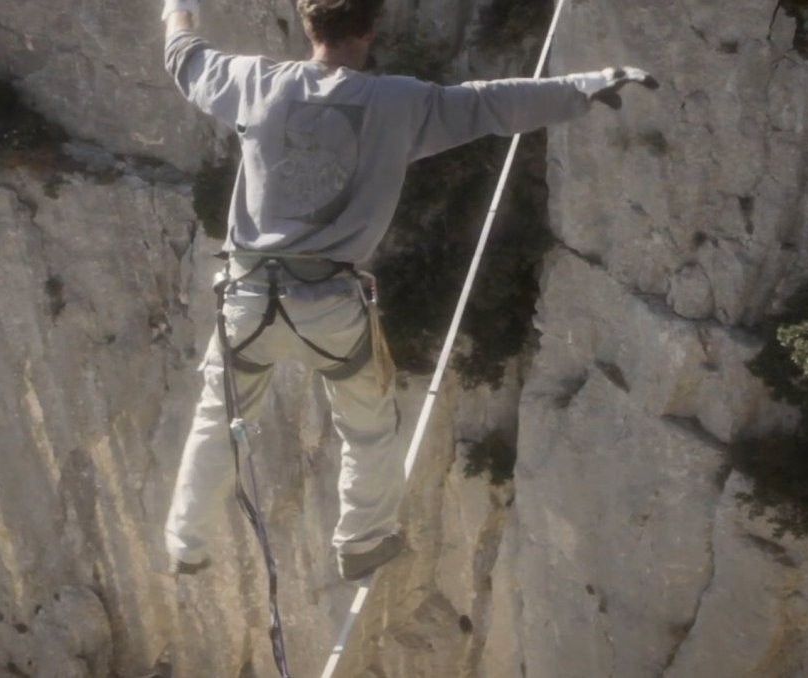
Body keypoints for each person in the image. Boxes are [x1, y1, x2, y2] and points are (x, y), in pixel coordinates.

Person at [161, 0, 656, 581]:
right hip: (329, 308)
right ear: (370, 29)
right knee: (368, 426)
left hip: (246, 301)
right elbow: (491, 104)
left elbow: (183, 57)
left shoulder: (253, 83)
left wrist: (178, 8)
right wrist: (585, 86)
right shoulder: (399, 104)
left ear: (307, 25)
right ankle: (362, 539)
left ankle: (186, 544)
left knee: (217, 418)